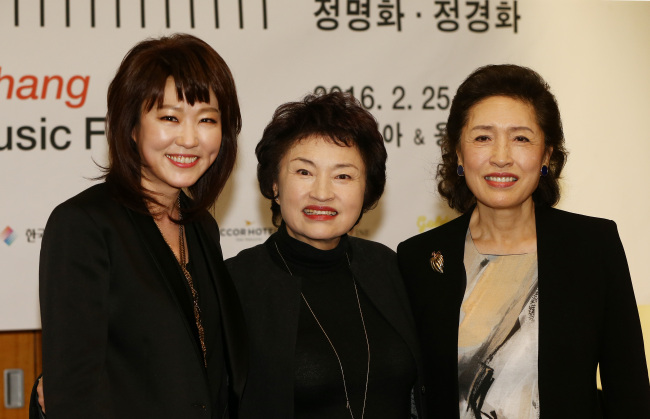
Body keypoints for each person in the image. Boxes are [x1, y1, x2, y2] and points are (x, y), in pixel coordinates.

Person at [397, 64, 650, 418]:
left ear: (546, 155)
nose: (501, 156)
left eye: (521, 138)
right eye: (483, 137)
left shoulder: (593, 246)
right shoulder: (418, 258)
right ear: (458, 153)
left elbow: (630, 391)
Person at [36, 33, 247, 418]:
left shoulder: (201, 227)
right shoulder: (84, 226)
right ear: (132, 126)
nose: (189, 138)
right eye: (169, 117)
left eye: (207, 119)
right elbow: (74, 391)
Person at [227, 91, 426, 418]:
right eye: (304, 172)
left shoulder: (389, 268)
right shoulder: (235, 286)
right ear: (275, 185)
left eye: (343, 176)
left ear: (366, 191)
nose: (322, 193)